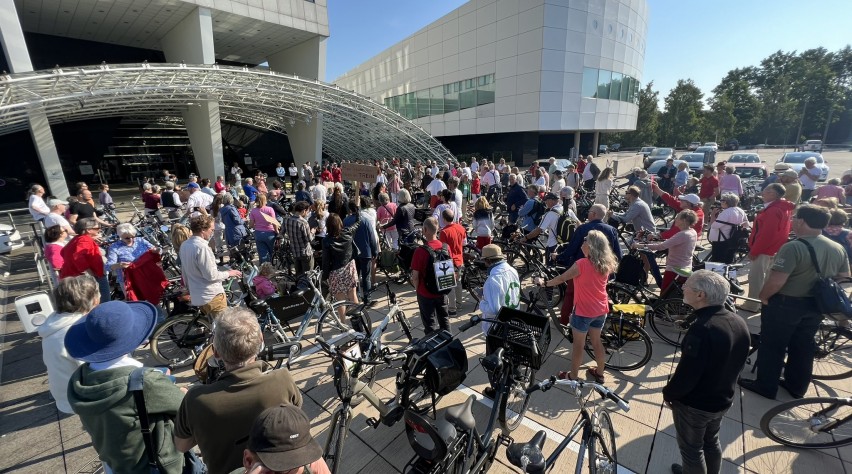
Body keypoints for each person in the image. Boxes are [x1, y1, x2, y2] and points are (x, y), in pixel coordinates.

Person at [66, 300, 200, 474]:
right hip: (152, 465)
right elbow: (184, 405)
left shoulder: (79, 379)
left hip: (116, 463)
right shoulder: (145, 382)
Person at [739, 205, 850, 400]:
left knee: (773, 345)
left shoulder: (794, 247)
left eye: (795, 219)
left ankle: (766, 386)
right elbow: (843, 278)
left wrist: (763, 297)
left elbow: (776, 281)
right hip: (815, 306)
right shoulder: (837, 247)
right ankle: (796, 386)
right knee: (803, 346)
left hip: (786, 303)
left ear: (801, 222)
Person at [175, 308, 301, 474]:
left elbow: (181, 446)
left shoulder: (195, 399)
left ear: (216, 352)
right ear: (261, 341)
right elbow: (295, 419)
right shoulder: (282, 380)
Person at [663, 270, 751, 474]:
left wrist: (670, 393)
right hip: (722, 399)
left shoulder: (702, 329)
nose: (683, 288)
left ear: (701, 295)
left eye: (688, 286)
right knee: (711, 442)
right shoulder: (737, 321)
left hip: (696, 405)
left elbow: (687, 374)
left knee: (692, 451)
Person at [540, 230, 618, 383]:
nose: (582, 243)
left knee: (578, 346)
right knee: (596, 341)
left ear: (591, 246)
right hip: (600, 309)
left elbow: (562, 278)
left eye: (585, 241)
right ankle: (600, 372)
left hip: (583, 311)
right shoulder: (606, 264)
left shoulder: (581, 264)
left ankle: (573, 375)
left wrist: (545, 283)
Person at [39, 275, 99, 414]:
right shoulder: (77, 331)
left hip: (63, 396)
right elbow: (97, 371)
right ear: (94, 300)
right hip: (80, 401)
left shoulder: (53, 324)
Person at [555, 204, 621, 323]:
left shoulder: (583, 229)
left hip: (581, 269)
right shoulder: (611, 230)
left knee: (570, 294)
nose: (588, 214)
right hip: (602, 269)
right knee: (599, 295)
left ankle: (564, 320)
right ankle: (598, 320)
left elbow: (572, 249)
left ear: (594, 214)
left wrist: (559, 257)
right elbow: (618, 254)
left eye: (589, 212)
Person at [741, 183, 795, 312]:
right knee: (765, 277)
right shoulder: (783, 208)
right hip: (774, 248)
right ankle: (761, 302)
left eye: (766, 190)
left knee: (756, 277)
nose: (763, 192)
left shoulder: (773, 210)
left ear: (773, 194)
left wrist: (755, 250)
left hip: (764, 250)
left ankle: (752, 305)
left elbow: (766, 234)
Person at [233, 404, 331, 474]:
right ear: (248, 461)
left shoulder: (312, 462)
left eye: (298, 463)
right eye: (279, 470)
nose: (297, 469)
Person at [180, 216, 242, 318]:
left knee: (213, 326)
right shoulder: (202, 247)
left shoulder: (185, 245)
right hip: (212, 295)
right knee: (224, 329)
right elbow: (211, 275)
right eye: (211, 230)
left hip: (197, 295)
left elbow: (184, 272)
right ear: (203, 230)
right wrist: (229, 273)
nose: (212, 232)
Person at [634, 210, 698, 295]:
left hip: (674, 268)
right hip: (685, 266)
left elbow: (660, 247)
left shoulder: (682, 234)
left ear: (684, 220)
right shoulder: (692, 232)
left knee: (664, 294)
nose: (675, 219)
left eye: (677, 217)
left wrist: (639, 245)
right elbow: (672, 241)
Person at [411, 217, 450, 334]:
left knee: (430, 323)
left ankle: (432, 348)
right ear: (437, 230)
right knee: (444, 319)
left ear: (425, 230)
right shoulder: (445, 247)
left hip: (426, 293)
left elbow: (415, 276)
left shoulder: (420, 251)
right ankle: (449, 342)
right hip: (442, 290)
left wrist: (418, 290)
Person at [60, 218, 110, 302]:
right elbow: (77, 256)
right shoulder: (85, 239)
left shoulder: (77, 238)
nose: (99, 230)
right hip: (94, 275)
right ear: (88, 230)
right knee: (105, 300)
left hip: (73, 276)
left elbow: (63, 252)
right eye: (97, 228)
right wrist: (88, 271)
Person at [322, 214, 360, 321]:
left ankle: (343, 323)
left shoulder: (326, 240)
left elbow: (326, 261)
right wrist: (357, 211)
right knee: (353, 295)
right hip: (349, 267)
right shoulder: (348, 232)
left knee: (340, 300)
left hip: (335, 271)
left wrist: (325, 276)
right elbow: (358, 223)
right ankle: (358, 318)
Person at [105, 223, 156, 297]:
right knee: (136, 302)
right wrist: (119, 265)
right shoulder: (115, 247)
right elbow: (108, 266)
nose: (131, 239)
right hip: (129, 281)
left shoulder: (140, 241)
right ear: (120, 236)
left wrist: (156, 250)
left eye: (133, 237)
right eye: (127, 238)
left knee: (152, 298)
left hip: (146, 275)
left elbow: (155, 250)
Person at [344, 200, 378, 304]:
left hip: (352, 253)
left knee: (354, 277)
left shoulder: (346, 221)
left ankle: (355, 297)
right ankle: (367, 299)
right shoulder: (366, 220)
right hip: (365, 252)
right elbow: (372, 237)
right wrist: (375, 251)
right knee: (366, 277)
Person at [521, 192, 564, 263]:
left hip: (553, 245)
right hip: (565, 244)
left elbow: (539, 230)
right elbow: (578, 224)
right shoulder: (566, 210)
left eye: (547, 200)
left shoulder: (550, 213)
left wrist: (525, 238)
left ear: (552, 200)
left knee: (550, 269)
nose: (545, 202)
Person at [708, 193, 749, 264]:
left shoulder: (726, 212)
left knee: (717, 262)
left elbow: (714, 226)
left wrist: (713, 215)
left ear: (725, 202)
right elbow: (746, 224)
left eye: (722, 201)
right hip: (734, 239)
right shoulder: (740, 211)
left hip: (721, 240)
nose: (720, 202)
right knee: (728, 261)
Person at [439, 209, 466, 316]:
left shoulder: (444, 232)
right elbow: (464, 243)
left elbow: (444, 249)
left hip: (450, 261)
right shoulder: (461, 227)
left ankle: (452, 308)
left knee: (450, 285)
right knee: (458, 283)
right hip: (460, 259)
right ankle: (459, 304)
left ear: (444, 219)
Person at [282, 201, 314, 274]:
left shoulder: (287, 220)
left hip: (295, 251)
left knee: (298, 274)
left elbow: (282, 233)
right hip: (305, 252)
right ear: (304, 211)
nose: (307, 213)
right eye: (307, 211)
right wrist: (312, 232)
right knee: (308, 275)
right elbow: (309, 239)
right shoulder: (304, 223)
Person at [248, 194, 279, 263]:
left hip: (258, 233)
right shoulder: (270, 209)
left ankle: (264, 268)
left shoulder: (253, 211)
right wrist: (277, 231)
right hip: (270, 233)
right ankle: (270, 267)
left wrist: (256, 226)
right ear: (265, 200)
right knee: (271, 252)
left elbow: (251, 225)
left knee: (262, 253)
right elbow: (274, 222)